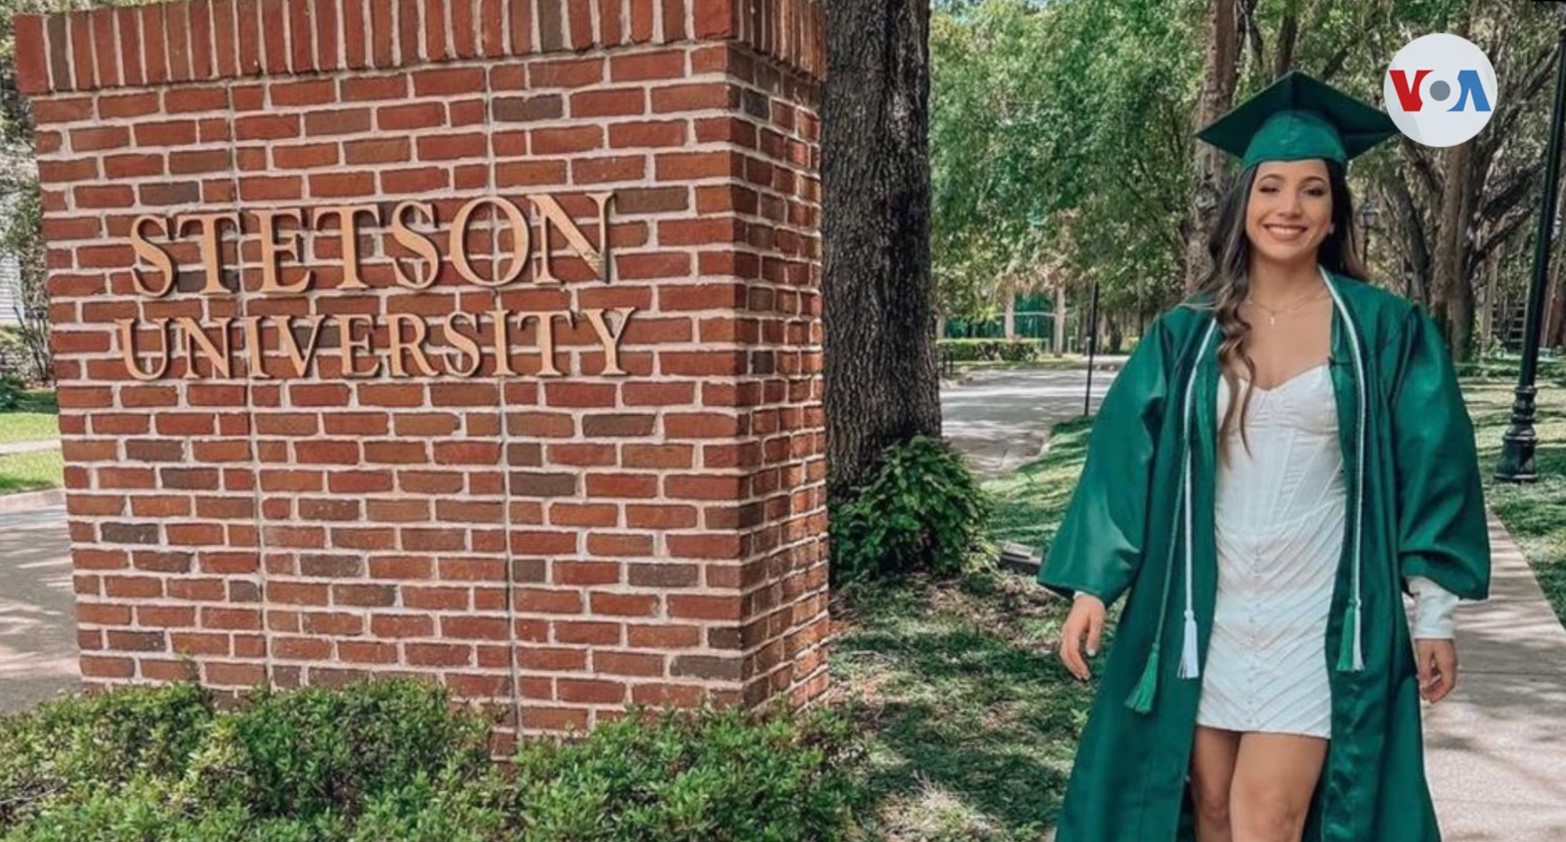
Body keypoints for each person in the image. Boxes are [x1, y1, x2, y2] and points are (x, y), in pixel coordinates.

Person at [1037, 71, 1492, 842]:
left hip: (1320, 615)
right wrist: (1093, 588)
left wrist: (1435, 615)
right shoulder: (1186, 335)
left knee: (1267, 821)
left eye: (1312, 190)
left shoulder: (1384, 330)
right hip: (1201, 610)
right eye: (1271, 187)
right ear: (1243, 201)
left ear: (1335, 208)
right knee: (1212, 813)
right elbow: (1124, 461)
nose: (1289, 208)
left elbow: (1434, 469)